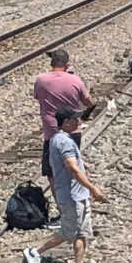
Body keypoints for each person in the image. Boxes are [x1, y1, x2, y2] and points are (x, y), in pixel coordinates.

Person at [24, 107, 101, 263]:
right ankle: (35, 252)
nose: (78, 122)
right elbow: (72, 168)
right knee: (69, 231)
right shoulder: (64, 141)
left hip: (78, 194)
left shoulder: (59, 139)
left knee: (82, 231)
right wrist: (93, 188)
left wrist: (84, 164)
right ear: (66, 122)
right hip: (71, 194)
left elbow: (72, 161)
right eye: (75, 119)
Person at [30, 48, 92, 179]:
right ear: (67, 65)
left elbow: (38, 97)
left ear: (51, 64)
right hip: (72, 130)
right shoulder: (75, 80)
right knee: (72, 166)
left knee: (51, 171)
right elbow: (87, 102)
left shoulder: (41, 80)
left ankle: (58, 198)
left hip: (51, 131)